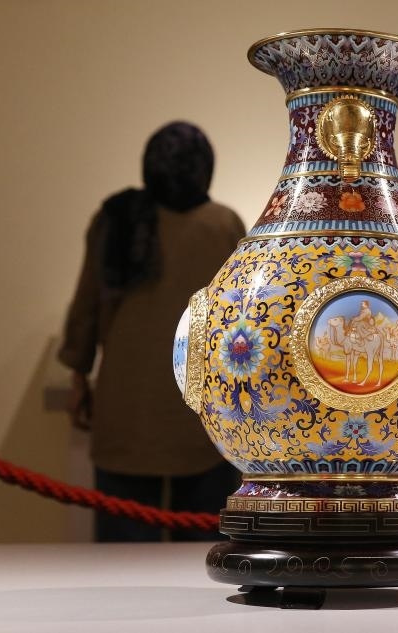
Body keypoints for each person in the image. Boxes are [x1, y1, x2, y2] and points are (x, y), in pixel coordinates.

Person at [59, 121, 246, 542]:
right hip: (203, 414)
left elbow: (86, 307)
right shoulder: (224, 225)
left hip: (126, 410)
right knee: (201, 553)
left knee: (122, 557)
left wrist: (78, 377)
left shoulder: (116, 219)